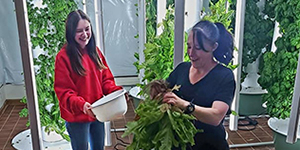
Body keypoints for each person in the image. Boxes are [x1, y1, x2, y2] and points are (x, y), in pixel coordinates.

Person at [54, 10, 124, 150]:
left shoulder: (95, 52)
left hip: (97, 112)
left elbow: (106, 80)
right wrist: (82, 105)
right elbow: (64, 92)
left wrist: (117, 93)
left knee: (98, 147)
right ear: (70, 33)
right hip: (77, 117)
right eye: (79, 31)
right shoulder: (63, 57)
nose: (85, 34)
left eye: (87, 29)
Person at [163, 20, 236, 150]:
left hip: (210, 146)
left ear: (213, 46)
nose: (191, 53)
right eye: (189, 46)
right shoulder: (182, 69)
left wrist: (186, 106)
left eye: (198, 48)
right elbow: (165, 89)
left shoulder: (224, 76)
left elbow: (216, 116)